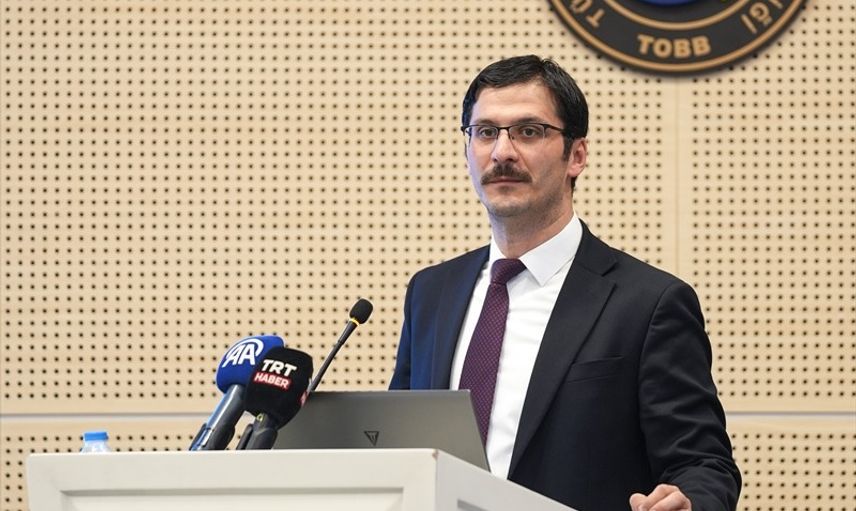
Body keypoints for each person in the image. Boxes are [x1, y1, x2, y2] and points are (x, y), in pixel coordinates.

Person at [389, 55, 741, 511]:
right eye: (486, 132)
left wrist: (690, 500)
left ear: (576, 155)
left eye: (528, 131)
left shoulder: (648, 304)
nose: (502, 152)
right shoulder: (431, 293)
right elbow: (401, 446)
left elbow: (703, 464)